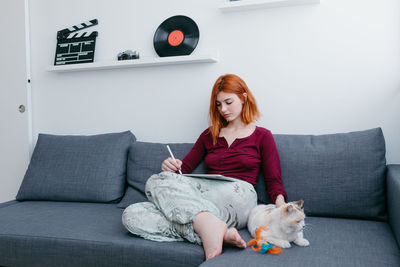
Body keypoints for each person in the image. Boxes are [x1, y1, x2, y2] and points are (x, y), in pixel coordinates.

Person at [122, 74, 287, 260]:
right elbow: (183, 172)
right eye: (218, 104)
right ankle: (218, 231)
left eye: (228, 102)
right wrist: (171, 167)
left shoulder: (262, 136)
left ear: (244, 98)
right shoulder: (209, 135)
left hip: (240, 197)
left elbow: (274, 180)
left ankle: (207, 227)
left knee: (157, 184)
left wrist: (282, 209)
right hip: (205, 200)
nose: (223, 109)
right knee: (132, 215)